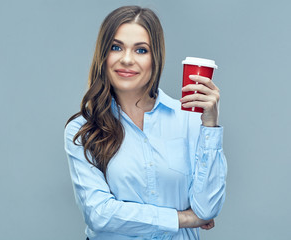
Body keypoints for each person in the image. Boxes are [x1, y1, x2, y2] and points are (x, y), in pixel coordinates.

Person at [64, 5, 227, 240]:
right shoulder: (82, 130)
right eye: (116, 47)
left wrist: (210, 126)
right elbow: (99, 214)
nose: (127, 59)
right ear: (104, 54)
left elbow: (208, 209)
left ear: (155, 58)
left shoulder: (189, 120)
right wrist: (183, 219)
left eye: (141, 50)